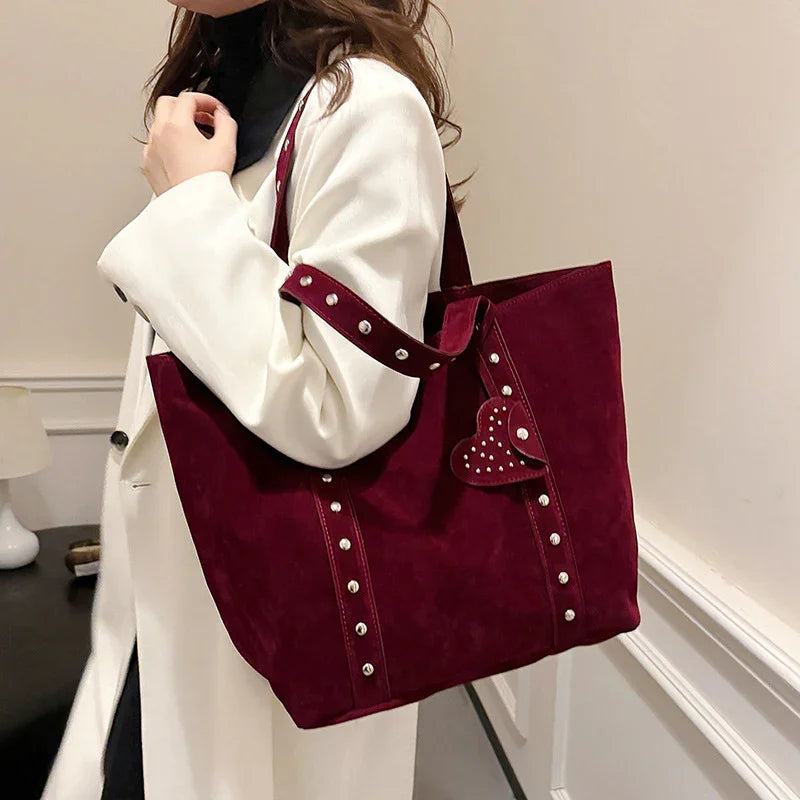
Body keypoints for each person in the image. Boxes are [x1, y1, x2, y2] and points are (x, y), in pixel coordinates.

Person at [41, 0, 468, 798]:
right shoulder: (227, 98)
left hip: (271, 648)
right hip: (166, 629)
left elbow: (344, 409)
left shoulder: (367, 106)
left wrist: (189, 210)